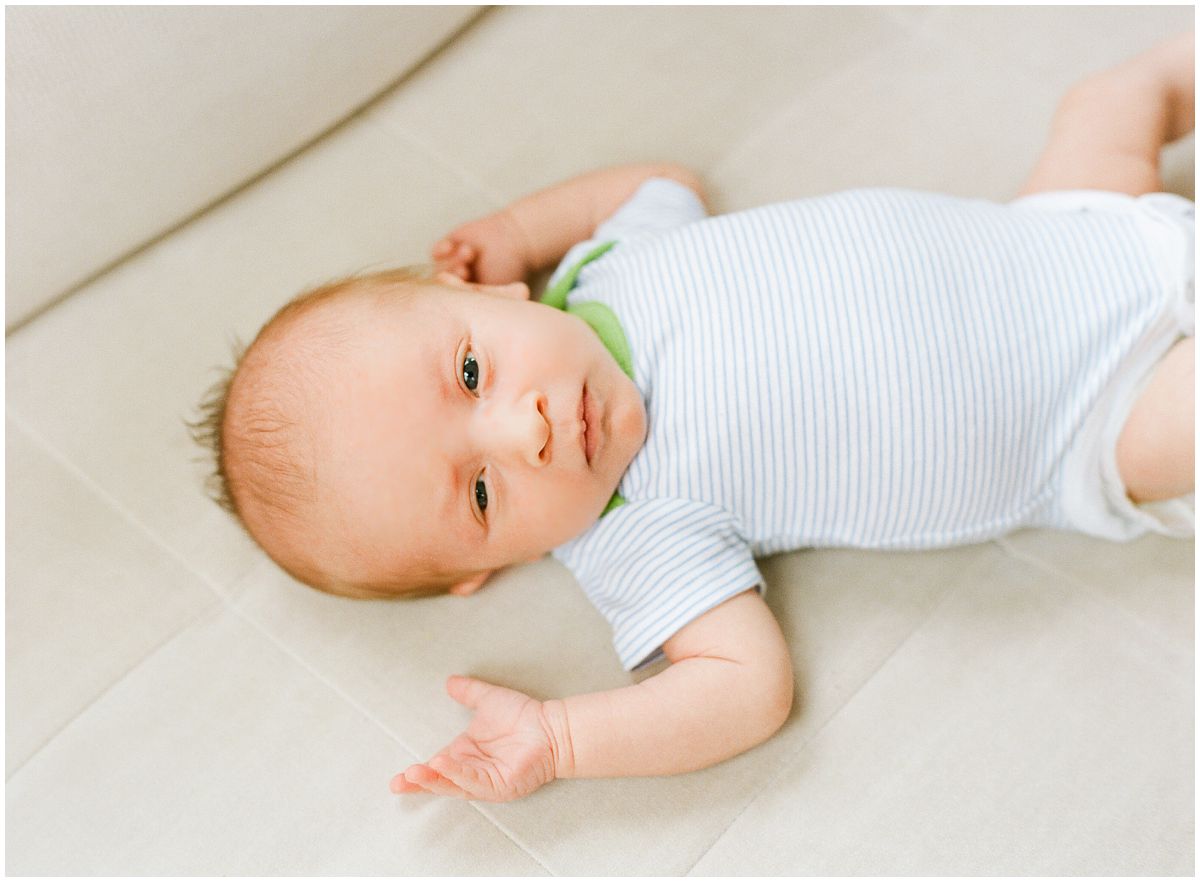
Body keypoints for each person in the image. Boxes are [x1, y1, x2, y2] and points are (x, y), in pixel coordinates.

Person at [190, 33, 1194, 802]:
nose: (525, 431)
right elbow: (744, 691)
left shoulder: (604, 268)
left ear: (498, 301)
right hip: (1090, 419)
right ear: (482, 568)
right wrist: (564, 740)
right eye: (483, 490)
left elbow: (660, 181)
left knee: (1113, 98)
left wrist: (519, 231)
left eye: (466, 371)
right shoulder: (633, 535)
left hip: (1070, 227)